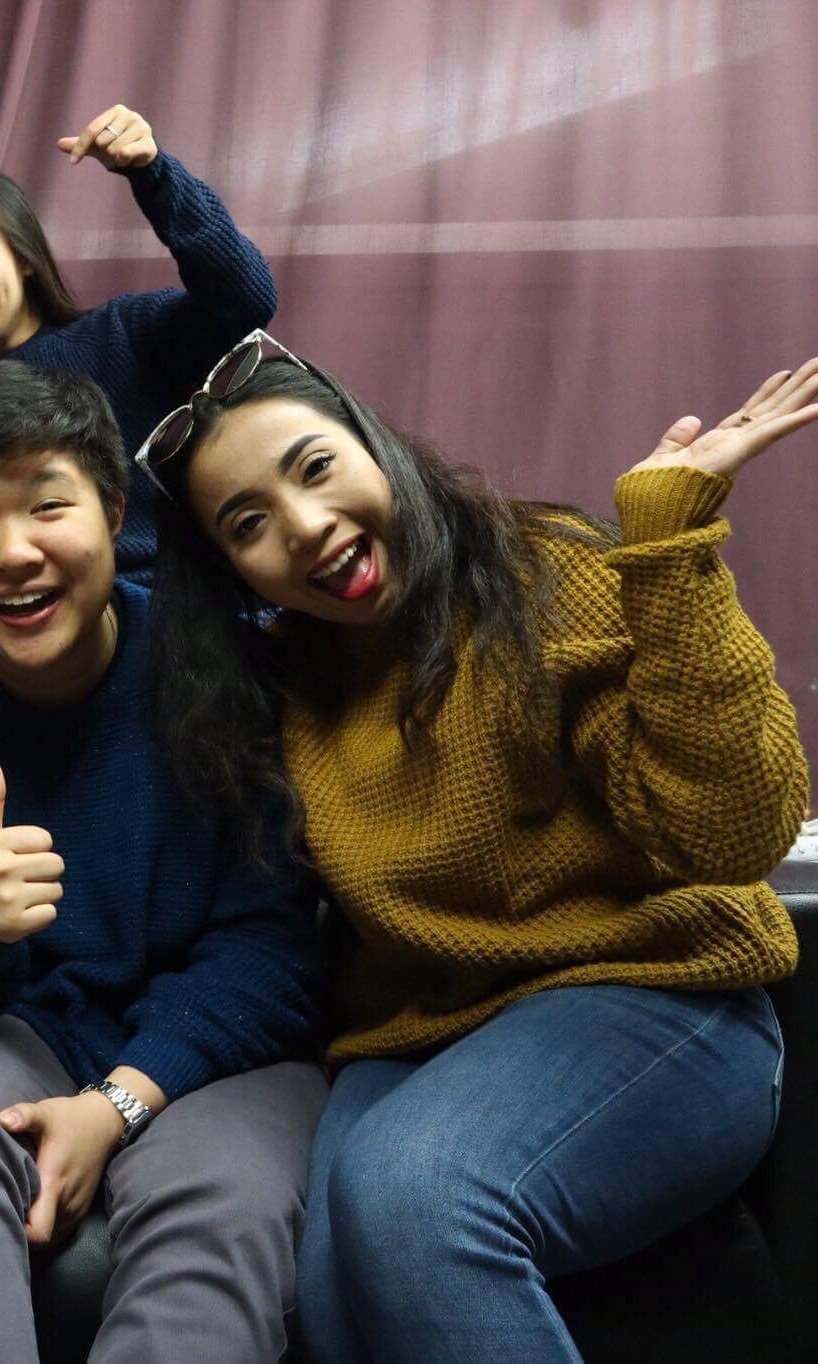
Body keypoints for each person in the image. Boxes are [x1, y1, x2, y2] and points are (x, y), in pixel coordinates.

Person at [142, 330, 812, 1361]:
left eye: (315, 467)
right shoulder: (275, 687)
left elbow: (730, 830)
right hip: (421, 1034)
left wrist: (670, 549)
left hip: (656, 994)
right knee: (327, 1291)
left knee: (411, 1196)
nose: (308, 525)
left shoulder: (543, 573)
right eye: (249, 524)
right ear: (231, 567)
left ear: (372, 444)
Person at [0, 361, 325, 1362]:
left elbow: (273, 947)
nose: (12, 552)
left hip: (209, 1052)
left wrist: (119, 1101)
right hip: (5, 1033)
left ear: (109, 510)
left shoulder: (224, 667)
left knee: (223, 1197)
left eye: (47, 505)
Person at [0, 99, 276, 575]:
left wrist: (155, 174)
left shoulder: (121, 334)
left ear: (24, 257)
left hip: (164, 608)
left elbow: (246, 299)